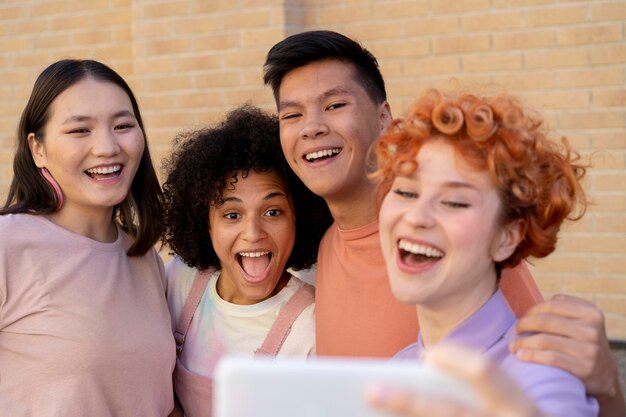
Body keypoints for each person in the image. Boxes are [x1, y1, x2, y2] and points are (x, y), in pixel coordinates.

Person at [263, 30, 624, 416]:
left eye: (335, 105)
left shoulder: (475, 262)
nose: (311, 127)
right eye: (292, 114)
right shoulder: (331, 252)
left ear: (385, 119)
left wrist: (609, 391)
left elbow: (546, 380)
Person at [372, 88, 597, 416]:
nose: (417, 217)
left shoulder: (542, 374)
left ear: (508, 236)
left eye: (454, 202)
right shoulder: (396, 370)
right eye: (405, 191)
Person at [0, 59, 175, 416]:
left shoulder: (143, 257)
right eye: (81, 130)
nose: (107, 147)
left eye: (123, 125)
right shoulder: (8, 244)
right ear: (38, 148)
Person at [161, 104, 332, 417]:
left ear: (299, 219)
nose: (253, 233)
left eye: (272, 212)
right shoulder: (180, 281)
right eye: (232, 215)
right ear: (205, 224)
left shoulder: (312, 327)